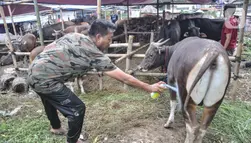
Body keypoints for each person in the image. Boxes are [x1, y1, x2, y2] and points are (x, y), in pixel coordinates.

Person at [27, 19, 165, 143]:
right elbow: (125, 78)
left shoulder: (74, 36)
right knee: (77, 108)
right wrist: (149, 87)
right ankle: (73, 140)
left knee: (49, 99)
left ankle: (55, 127)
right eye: (109, 39)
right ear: (98, 37)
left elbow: (49, 48)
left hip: (33, 71)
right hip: (45, 80)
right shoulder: (94, 54)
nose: (110, 43)